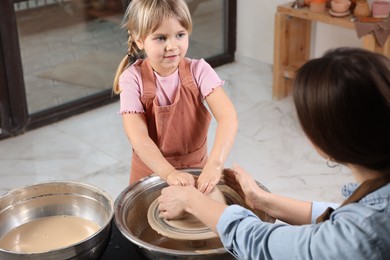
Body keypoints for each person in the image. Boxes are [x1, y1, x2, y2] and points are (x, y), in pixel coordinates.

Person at [157, 47, 390, 259]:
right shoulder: (376, 204)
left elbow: (262, 244)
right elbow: (344, 217)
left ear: (331, 140)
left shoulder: (363, 233)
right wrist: (266, 202)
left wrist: (192, 201)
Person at [112, 0, 237, 193]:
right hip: (150, 172)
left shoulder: (199, 71)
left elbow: (228, 117)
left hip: (196, 169)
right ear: (139, 40)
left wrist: (215, 164)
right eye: (161, 38)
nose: (172, 46)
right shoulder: (132, 79)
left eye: (180, 35)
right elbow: (138, 137)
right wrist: (169, 173)